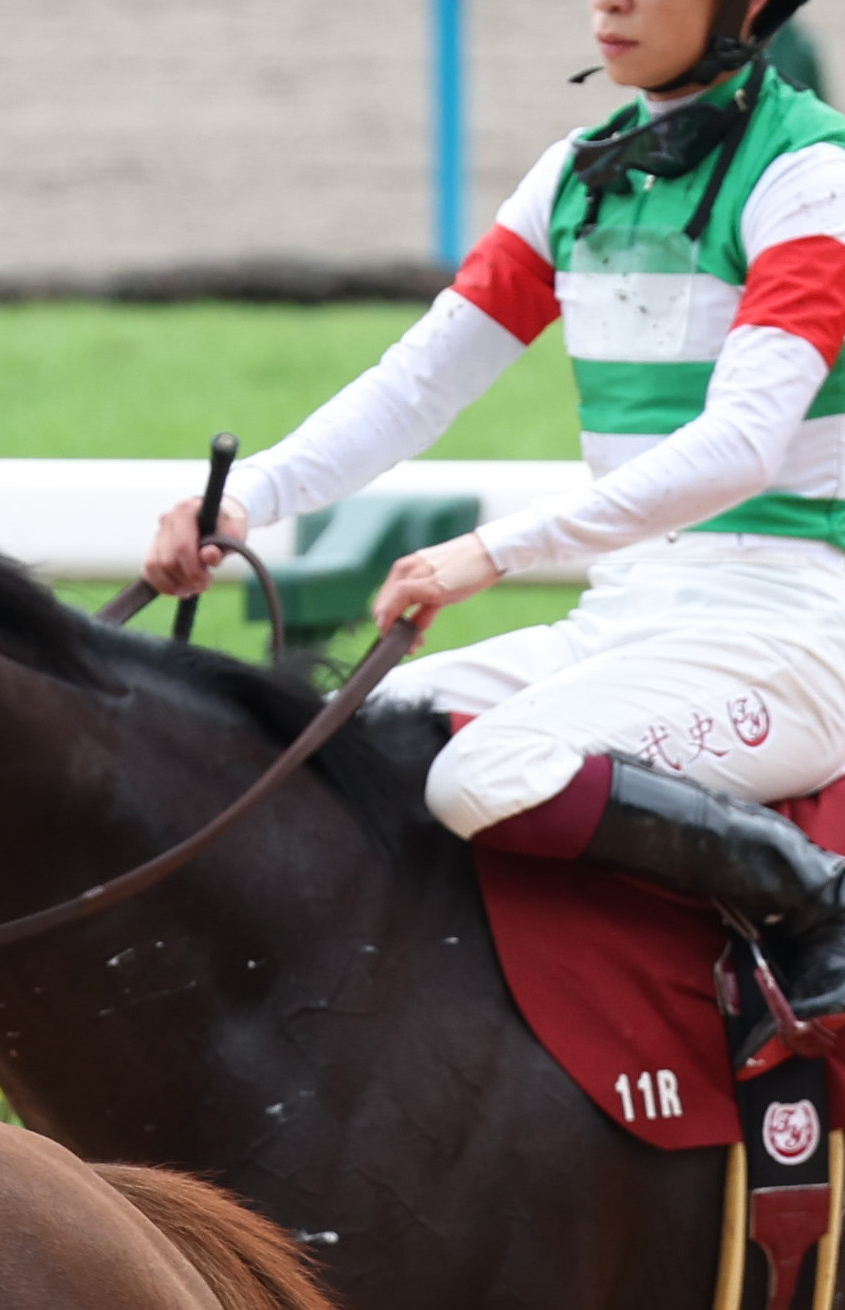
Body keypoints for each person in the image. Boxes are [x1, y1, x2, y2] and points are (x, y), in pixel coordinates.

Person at [145, 0, 845, 1014]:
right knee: (339, 746)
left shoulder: (808, 174)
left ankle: (820, 901)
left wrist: (492, 552)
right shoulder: (574, 173)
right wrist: (245, 497)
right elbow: (416, 383)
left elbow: (738, 445)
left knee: (486, 770)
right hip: (631, 614)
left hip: (787, 632)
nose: (605, 3)